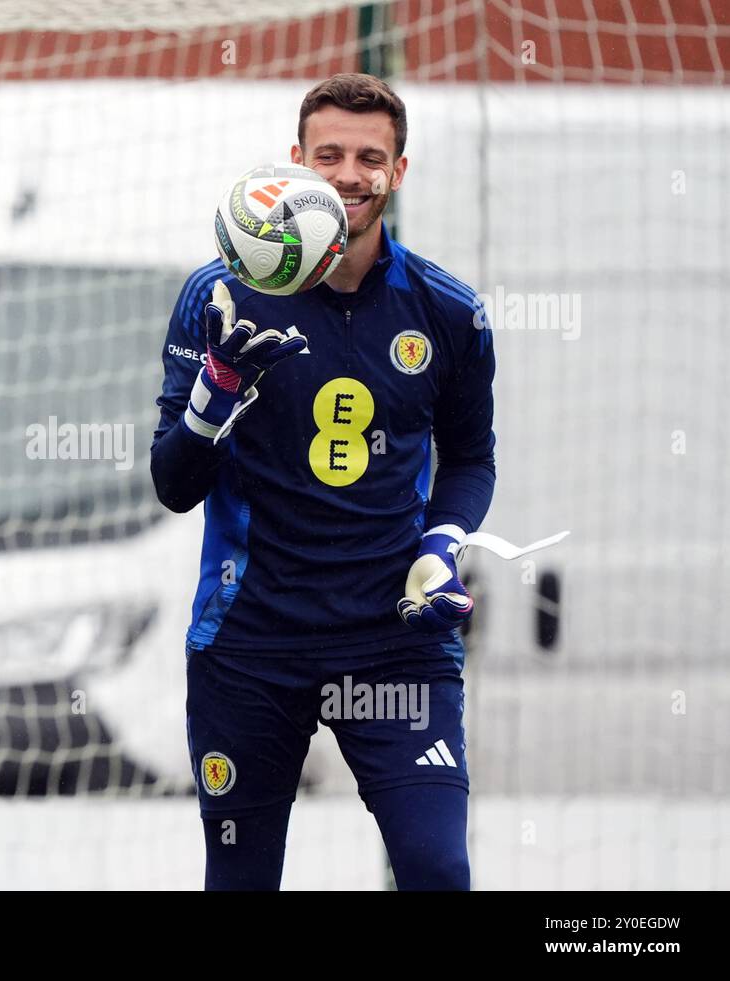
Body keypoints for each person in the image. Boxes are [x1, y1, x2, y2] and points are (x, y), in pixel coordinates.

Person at [151, 73, 495, 890]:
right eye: (330, 154)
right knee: (239, 876)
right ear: (297, 163)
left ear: (398, 172)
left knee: (437, 865)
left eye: (370, 158)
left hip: (394, 640)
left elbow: (471, 459)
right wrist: (216, 396)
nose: (349, 174)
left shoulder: (447, 312)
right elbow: (173, 482)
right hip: (251, 642)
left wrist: (440, 547)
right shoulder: (220, 294)